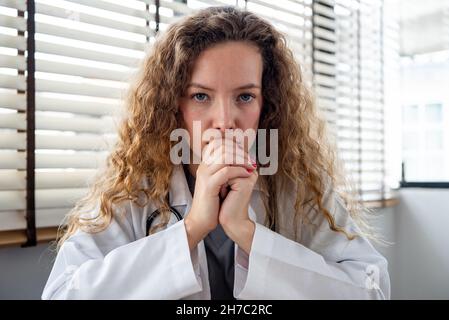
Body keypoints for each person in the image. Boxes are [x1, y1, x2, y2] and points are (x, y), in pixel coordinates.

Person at [42, 6, 390, 300]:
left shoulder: (298, 185)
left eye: (245, 96)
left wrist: (246, 232)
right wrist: (192, 228)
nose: (225, 122)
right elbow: (62, 294)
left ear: (267, 105)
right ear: (172, 105)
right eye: (200, 96)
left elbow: (371, 290)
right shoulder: (133, 188)